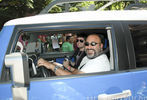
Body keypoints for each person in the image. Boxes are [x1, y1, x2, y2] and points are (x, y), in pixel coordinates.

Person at [37, 34, 110, 76]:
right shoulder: (88, 57)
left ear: (101, 46)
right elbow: (77, 71)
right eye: (87, 44)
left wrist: (51, 66)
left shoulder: (100, 61)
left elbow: (74, 78)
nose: (89, 47)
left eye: (93, 44)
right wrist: (65, 67)